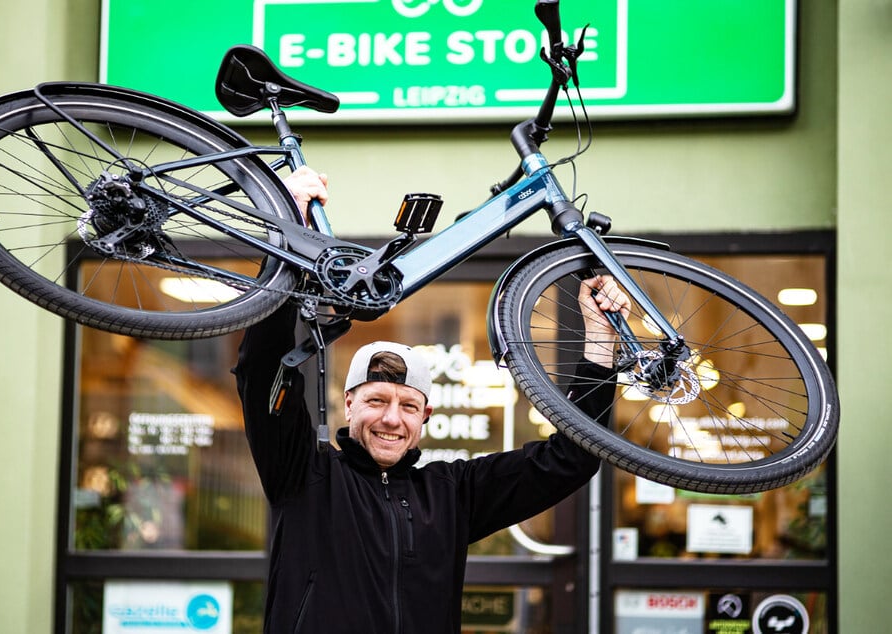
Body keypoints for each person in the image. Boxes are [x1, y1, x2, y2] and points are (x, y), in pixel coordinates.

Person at [234, 169, 629, 633]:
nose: (390, 418)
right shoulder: (305, 473)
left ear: (425, 417)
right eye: (377, 400)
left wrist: (601, 347)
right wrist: (287, 235)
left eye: (406, 405)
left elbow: (571, 459)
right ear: (349, 404)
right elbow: (262, 370)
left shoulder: (452, 493)